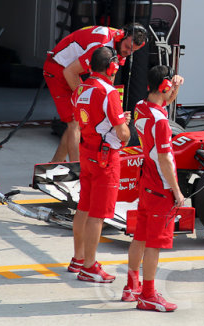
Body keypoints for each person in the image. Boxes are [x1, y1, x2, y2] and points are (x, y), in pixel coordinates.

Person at [122, 65, 184, 312]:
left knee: (140, 237)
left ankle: (132, 287)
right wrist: (177, 192)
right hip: (161, 187)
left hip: (146, 183)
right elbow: (167, 160)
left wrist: (175, 87)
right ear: (164, 86)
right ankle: (148, 294)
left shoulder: (141, 107)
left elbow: (162, 103)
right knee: (154, 244)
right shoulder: (161, 122)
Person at [68, 46, 131, 283]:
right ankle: (90, 266)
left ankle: (78, 258)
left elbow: (80, 119)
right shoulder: (109, 92)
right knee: (98, 215)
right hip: (106, 159)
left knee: (83, 207)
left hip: (87, 153)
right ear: (111, 67)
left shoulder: (80, 89)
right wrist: (123, 123)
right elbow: (123, 134)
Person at [43, 22, 147, 163]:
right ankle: (78, 170)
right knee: (76, 122)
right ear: (120, 37)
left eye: (132, 51)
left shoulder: (121, 43)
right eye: (127, 48)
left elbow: (109, 76)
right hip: (58, 69)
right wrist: (90, 102)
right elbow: (69, 72)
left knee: (79, 119)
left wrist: (111, 106)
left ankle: (56, 162)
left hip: (70, 69)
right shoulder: (101, 46)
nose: (128, 53)